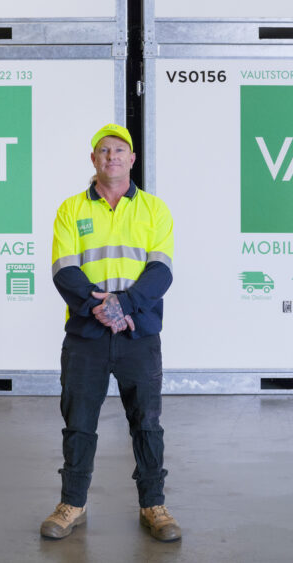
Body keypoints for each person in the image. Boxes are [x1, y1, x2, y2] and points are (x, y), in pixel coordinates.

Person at [40, 123, 181, 542]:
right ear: (93, 159)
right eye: (104, 150)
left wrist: (124, 305)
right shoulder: (71, 209)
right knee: (78, 422)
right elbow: (64, 270)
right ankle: (72, 504)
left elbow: (161, 271)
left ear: (132, 159)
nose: (112, 157)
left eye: (120, 150)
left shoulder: (154, 209)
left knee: (147, 423)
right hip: (87, 335)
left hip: (139, 334)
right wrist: (99, 307)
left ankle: (153, 505)